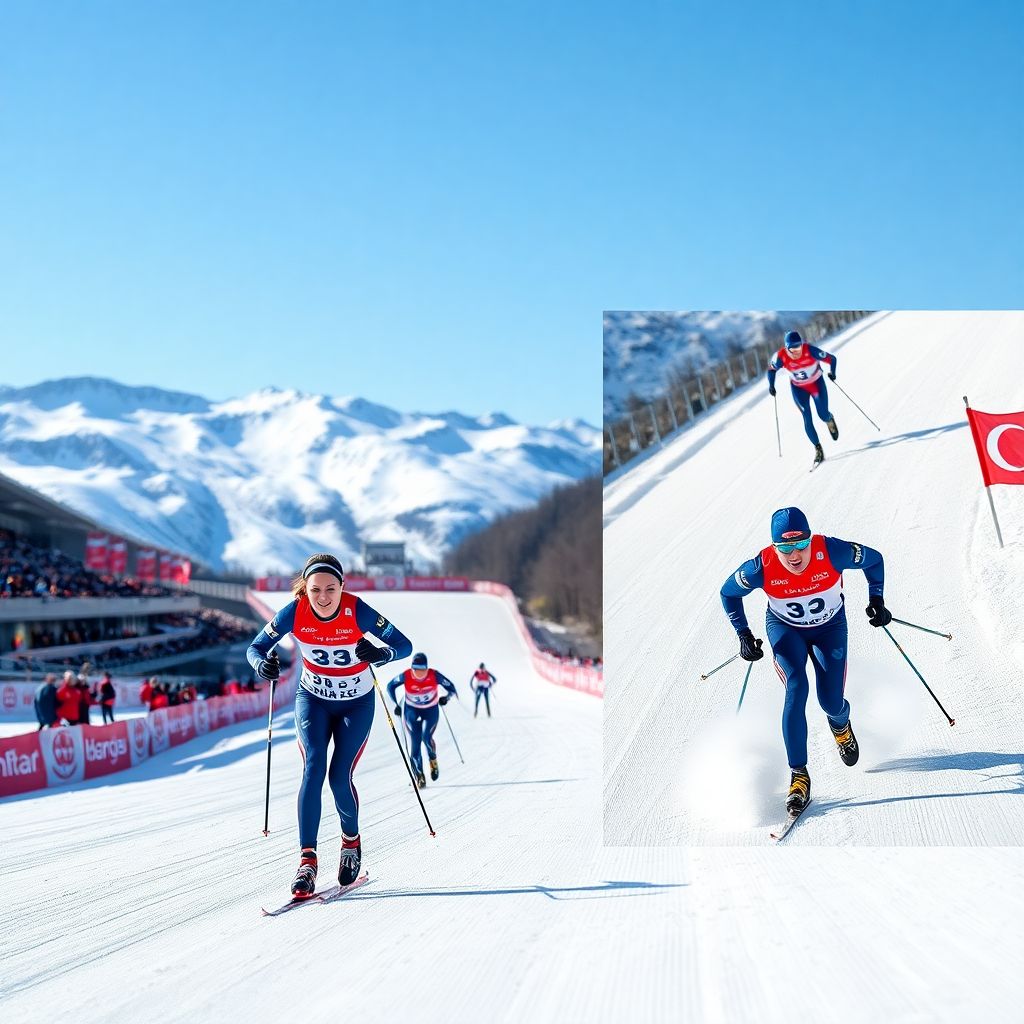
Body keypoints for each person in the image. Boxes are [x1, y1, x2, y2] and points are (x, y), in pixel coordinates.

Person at [247, 553, 412, 899]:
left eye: (331, 589)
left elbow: (404, 645)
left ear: (342, 588)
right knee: (313, 768)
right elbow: (256, 648)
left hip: (357, 701)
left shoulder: (358, 610)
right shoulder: (294, 612)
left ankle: (350, 841)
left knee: (339, 777)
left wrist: (381, 654)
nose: (323, 597)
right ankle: (307, 860)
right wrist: (263, 665)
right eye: (315, 589)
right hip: (314, 699)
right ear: (305, 589)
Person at [719, 507, 890, 816]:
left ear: (811, 539)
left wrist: (876, 600)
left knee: (830, 701)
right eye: (784, 547)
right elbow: (728, 593)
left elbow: (874, 559)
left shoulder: (832, 550)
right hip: (786, 630)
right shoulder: (760, 567)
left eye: (800, 544)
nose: (794, 554)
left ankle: (840, 724)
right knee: (796, 688)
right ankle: (799, 776)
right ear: (774, 547)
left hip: (830, 629)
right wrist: (743, 634)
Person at [767, 330, 839, 466]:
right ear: (787, 348)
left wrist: (832, 373)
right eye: (793, 348)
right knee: (807, 416)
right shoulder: (780, 357)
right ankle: (818, 449)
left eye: (798, 347)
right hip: (799, 389)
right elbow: (771, 370)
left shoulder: (810, 350)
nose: (797, 351)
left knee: (822, 414)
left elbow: (832, 359)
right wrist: (771, 385)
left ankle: (829, 419)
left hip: (816, 384)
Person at [387, 653, 457, 787]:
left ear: (427, 668)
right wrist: (396, 704)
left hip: (430, 711)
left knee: (426, 737)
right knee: (415, 744)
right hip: (411, 711)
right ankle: (419, 776)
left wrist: (446, 698)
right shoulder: (406, 675)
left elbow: (452, 688)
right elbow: (390, 686)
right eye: (415, 670)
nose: (418, 673)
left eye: (422, 670)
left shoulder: (434, 675)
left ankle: (432, 759)